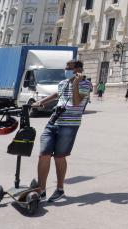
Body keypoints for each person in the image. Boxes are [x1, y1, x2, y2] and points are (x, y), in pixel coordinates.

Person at [32, 60, 92, 202]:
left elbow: (76, 102)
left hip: (69, 125)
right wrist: (41, 102)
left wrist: (76, 83)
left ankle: (60, 189)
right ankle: (41, 190)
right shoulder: (63, 83)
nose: (66, 69)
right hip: (53, 121)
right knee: (44, 154)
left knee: (59, 157)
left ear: (78, 69)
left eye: (69, 68)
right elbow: (57, 94)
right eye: (66, 67)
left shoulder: (86, 84)